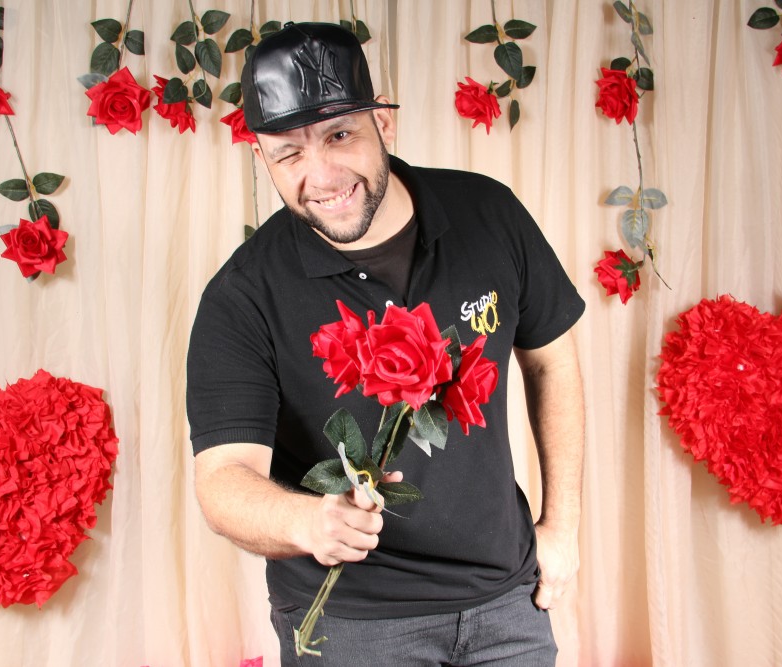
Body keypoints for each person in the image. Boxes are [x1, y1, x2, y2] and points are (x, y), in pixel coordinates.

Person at [187, 21, 586, 666]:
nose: (321, 174)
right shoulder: (242, 296)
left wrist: (562, 528)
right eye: (288, 153)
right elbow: (222, 479)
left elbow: (551, 361)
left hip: (506, 602)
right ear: (262, 159)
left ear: (383, 122)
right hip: (351, 624)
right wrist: (305, 522)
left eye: (339, 135)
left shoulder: (489, 214)